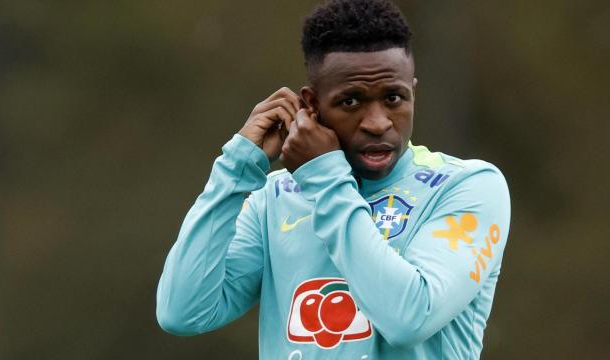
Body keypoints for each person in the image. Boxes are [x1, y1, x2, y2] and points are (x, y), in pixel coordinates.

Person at [156, 0, 511, 358]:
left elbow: (411, 319)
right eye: (351, 102)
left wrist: (326, 180)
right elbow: (183, 312)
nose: (378, 122)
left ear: (412, 93)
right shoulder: (274, 198)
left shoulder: (468, 187)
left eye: (393, 98)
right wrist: (235, 171)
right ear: (311, 105)